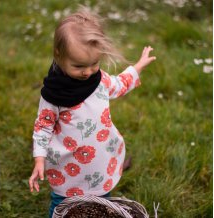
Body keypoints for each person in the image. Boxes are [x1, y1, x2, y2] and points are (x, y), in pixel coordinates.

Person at [29, 7, 156, 218]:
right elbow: (43, 126)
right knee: (63, 204)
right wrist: (39, 158)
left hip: (100, 160)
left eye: (94, 64)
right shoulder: (54, 94)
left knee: (101, 202)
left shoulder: (100, 80)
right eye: (79, 66)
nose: (87, 72)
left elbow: (119, 84)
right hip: (66, 165)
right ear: (59, 55)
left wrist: (138, 66)